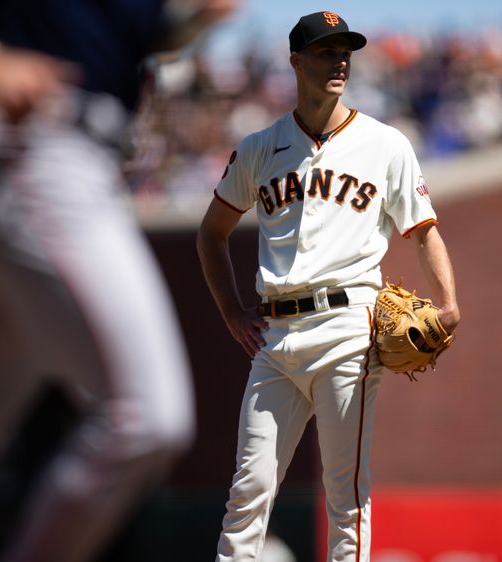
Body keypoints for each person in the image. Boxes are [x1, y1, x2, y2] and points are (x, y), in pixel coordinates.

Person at [0, 1, 236, 561]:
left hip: (66, 157)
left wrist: (194, 22)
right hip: (40, 149)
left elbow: (120, 36)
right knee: (148, 418)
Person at [196, 11, 460, 561]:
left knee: (346, 499)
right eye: (324, 50)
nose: (339, 60)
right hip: (274, 336)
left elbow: (424, 231)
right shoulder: (259, 147)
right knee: (248, 491)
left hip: (349, 328)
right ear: (296, 61)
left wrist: (450, 304)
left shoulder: (385, 144)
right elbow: (211, 234)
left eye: (345, 50)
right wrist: (230, 311)